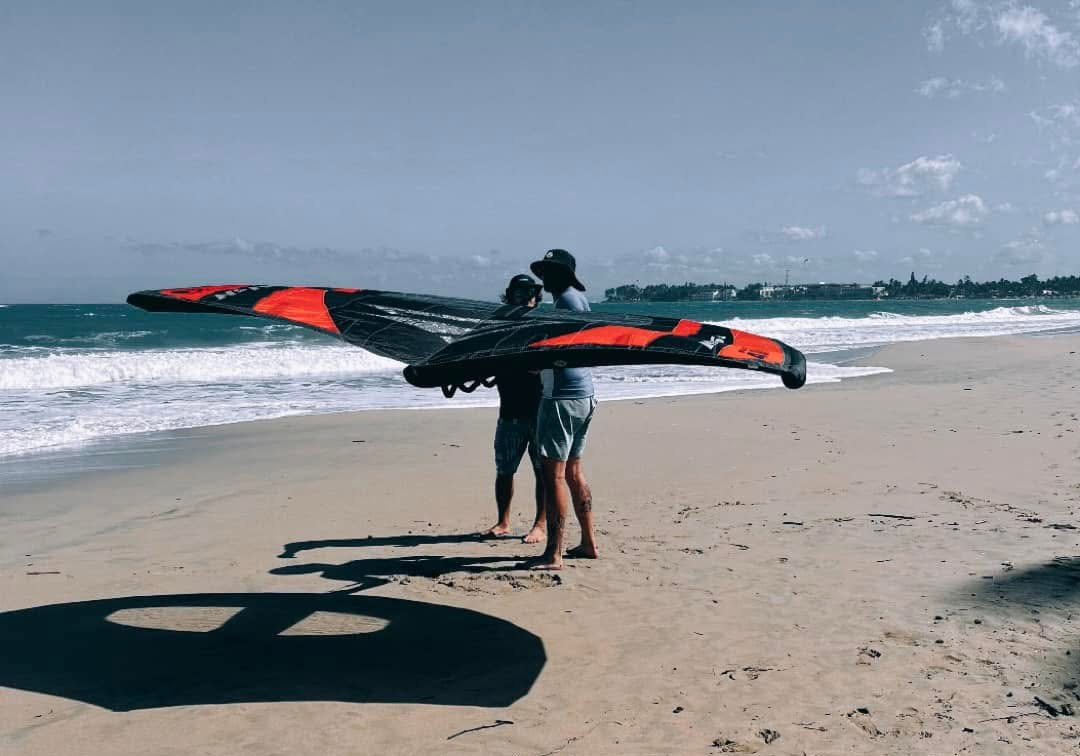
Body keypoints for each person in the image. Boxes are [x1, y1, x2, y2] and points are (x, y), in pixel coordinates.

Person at [527, 249, 598, 570]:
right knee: (573, 472)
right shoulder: (579, 301)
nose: (545, 278)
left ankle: (553, 554)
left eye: (550, 272)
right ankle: (588, 543)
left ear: (564, 275)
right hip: (584, 395)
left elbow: (560, 349)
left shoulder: (566, 302)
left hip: (561, 398)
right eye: (543, 272)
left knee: (552, 475)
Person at [485, 274, 547, 543]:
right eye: (520, 293)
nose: (526, 298)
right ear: (510, 295)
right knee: (504, 469)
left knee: (543, 472)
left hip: (540, 411)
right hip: (509, 410)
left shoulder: (545, 325)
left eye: (530, 293)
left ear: (536, 297)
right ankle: (503, 522)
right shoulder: (499, 325)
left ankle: (540, 525)